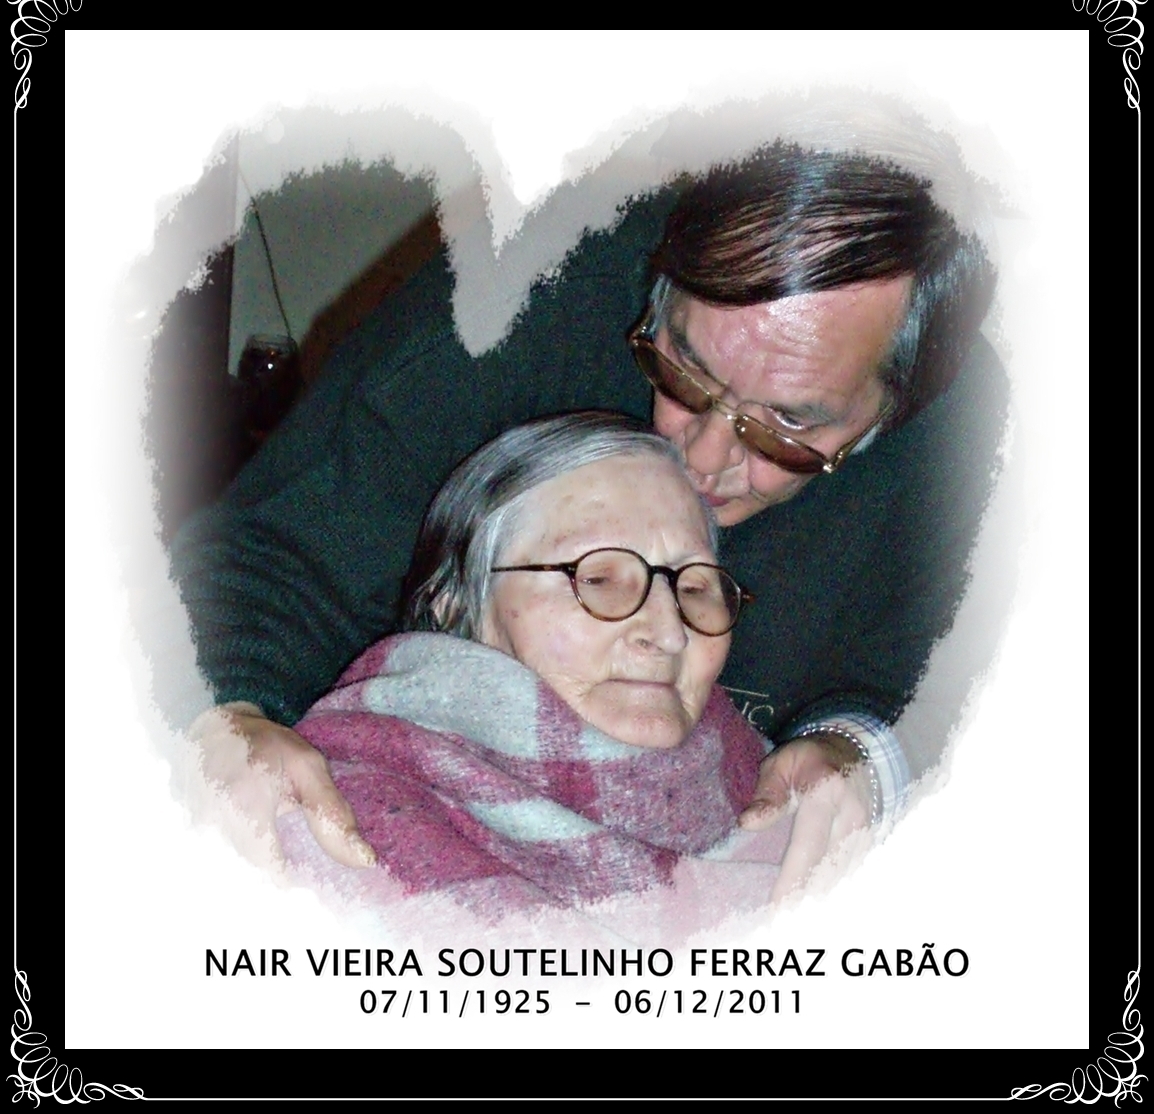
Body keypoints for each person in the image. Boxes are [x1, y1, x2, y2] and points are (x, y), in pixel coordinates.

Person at [177, 133, 1007, 898]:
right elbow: (275, 550)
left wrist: (870, 755)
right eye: (683, 366)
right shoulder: (529, 284)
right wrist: (231, 711)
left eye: (787, 424)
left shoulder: (986, 454)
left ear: (897, 411)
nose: (700, 455)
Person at [287, 413, 787, 914]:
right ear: (453, 605)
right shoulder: (328, 829)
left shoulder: (788, 801)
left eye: (695, 587)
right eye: (597, 579)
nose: (669, 633)